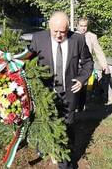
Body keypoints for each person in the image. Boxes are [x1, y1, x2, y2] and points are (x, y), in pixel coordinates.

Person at [29, 11, 94, 169]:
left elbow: (87, 62)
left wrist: (81, 79)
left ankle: (66, 163)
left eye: (63, 32)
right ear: (49, 27)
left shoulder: (77, 39)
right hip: (46, 95)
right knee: (45, 122)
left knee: (67, 127)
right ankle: (45, 146)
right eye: (55, 31)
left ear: (68, 28)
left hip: (69, 94)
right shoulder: (38, 39)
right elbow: (28, 63)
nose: (59, 35)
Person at [76, 18, 110, 108]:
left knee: (83, 87)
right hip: (74, 66)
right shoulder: (72, 36)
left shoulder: (92, 36)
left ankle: (80, 107)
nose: (83, 28)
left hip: (86, 67)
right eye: (81, 26)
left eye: (85, 26)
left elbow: (98, 51)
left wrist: (104, 65)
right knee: (74, 86)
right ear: (77, 26)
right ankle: (74, 107)